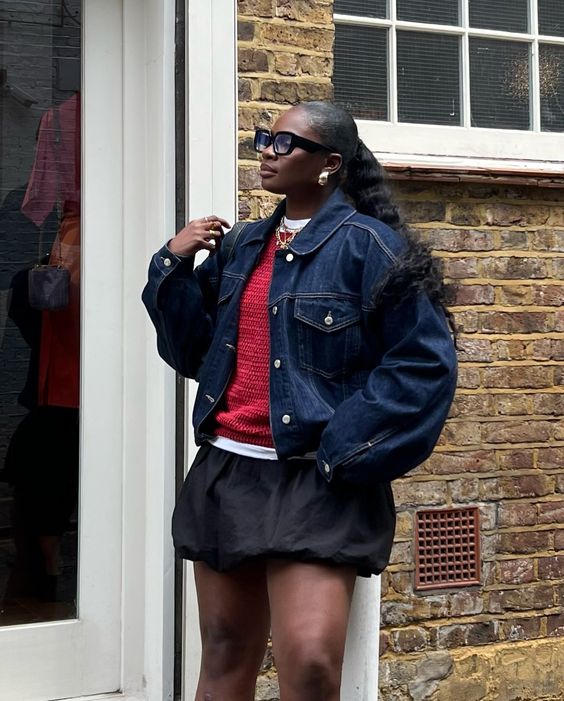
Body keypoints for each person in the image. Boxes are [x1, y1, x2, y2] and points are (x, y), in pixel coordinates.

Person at [142, 101, 457, 701]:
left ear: (329, 164)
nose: (267, 150)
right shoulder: (243, 246)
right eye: (267, 138)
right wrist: (174, 264)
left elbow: (424, 366)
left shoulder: (370, 247)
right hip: (229, 471)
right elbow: (194, 354)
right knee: (227, 651)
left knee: (310, 664)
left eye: (286, 143)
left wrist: (341, 446)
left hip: (316, 479)